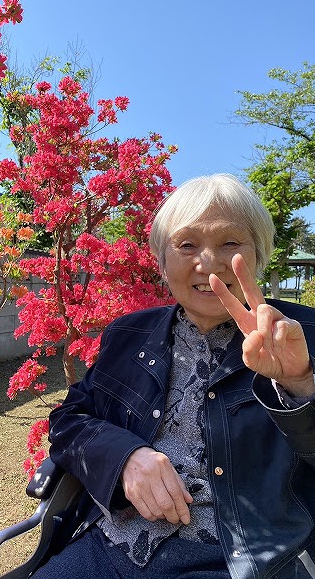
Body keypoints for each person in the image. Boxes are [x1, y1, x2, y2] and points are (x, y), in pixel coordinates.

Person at [32, 174, 315, 579]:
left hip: (241, 560)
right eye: (186, 245)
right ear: (162, 261)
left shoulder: (303, 336)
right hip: (112, 543)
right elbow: (69, 420)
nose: (209, 263)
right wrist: (124, 457)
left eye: (230, 243)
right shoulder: (128, 334)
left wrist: (301, 385)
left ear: (259, 253)